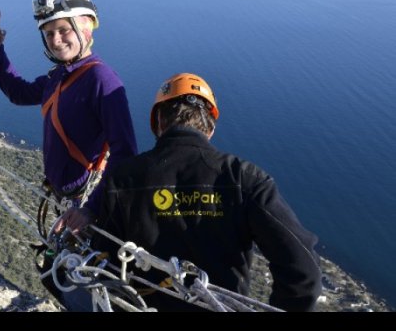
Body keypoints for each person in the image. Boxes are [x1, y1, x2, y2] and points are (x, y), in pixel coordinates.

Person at [96, 73, 322, 312]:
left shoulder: (123, 178)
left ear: (159, 122)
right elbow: (304, 268)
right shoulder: (244, 179)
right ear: (210, 128)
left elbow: (104, 260)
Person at [0, 0, 138, 233]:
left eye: (64, 30)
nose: (55, 40)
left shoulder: (103, 81)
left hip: (85, 207)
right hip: (65, 201)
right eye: (48, 34)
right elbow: (19, 93)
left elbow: (126, 153)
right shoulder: (59, 76)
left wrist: (92, 209)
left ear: (85, 28)